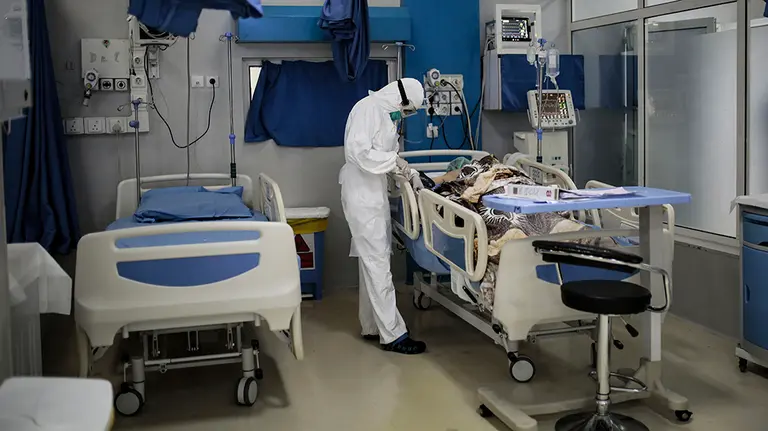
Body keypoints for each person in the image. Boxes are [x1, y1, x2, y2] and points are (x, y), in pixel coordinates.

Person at [339, 78, 427, 355]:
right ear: (401, 98)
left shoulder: (383, 115)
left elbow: (384, 155)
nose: (406, 115)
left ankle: (372, 326)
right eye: (409, 110)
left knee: (371, 264)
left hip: (372, 195)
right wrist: (395, 162)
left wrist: (408, 173)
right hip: (362, 197)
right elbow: (358, 153)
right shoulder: (367, 109)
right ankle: (394, 335)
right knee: (378, 263)